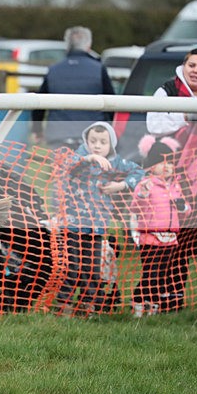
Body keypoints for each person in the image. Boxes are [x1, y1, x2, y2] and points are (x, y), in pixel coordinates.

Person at [54, 122, 144, 316]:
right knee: (72, 267)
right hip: (73, 225)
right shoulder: (78, 158)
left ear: (111, 144)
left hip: (97, 227)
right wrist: (90, 157)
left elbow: (140, 172)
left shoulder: (115, 163)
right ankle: (64, 304)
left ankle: (88, 304)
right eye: (93, 141)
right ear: (86, 141)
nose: (97, 145)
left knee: (92, 269)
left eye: (103, 142)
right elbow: (67, 164)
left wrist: (120, 186)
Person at [143, 48, 197, 312]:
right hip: (170, 177)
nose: (196, 70)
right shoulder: (166, 90)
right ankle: (155, 295)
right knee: (165, 241)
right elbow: (154, 125)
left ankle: (175, 297)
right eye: (192, 64)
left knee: (188, 242)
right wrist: (185, 117)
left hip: (196, 182)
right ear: (184, 65)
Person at [131, 136, 189, 317]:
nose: (167, 167)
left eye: (170, 163)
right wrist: (143, 194)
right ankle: (139, 302)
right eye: (161, 163)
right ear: (151, 165)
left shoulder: (176, 186)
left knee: (162, 274)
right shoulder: (146, 184)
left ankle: (153, 304)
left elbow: (187, 209)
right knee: (150, 273)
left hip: (170, 239)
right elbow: (135, 207)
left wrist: (182, 206)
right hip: (151, 238)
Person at [31, 26, 115, 149]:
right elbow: (111, 104)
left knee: (59, 168)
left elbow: (39, 105)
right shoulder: (99, 69)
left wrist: (37, 129)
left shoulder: (53, 70)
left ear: (67, 45)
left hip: (58, 136)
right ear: (88, 45)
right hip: (91, 136)